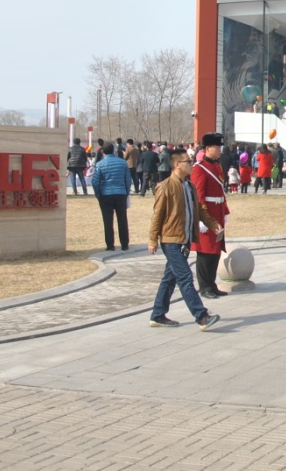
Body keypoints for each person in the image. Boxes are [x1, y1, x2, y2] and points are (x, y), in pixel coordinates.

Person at [147, 148, 222, 331]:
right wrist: (153, 239)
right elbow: (157, 215)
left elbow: (199, 210)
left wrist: (213, 224)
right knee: (185, 276)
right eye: (187, 162)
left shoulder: (189, 186)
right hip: (171, 240)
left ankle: (157, 315)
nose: (191, 164)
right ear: (176, 165)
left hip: (185, 238)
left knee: (169, 278)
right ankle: (201, 316)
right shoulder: (165, 187)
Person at [190, 133, 230, 300]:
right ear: (207, 148)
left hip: (217, 212)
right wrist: (201, 218)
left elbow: (221, 191)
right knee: (205, 252)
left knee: (215, 251)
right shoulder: (199, 168)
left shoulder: (217, 166)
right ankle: (204, 287)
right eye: (217, 147)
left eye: (220, 147)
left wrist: (225, 211)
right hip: (207, 214)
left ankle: (212, 285)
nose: (220, 150)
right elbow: (198, 195)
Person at [91, 142, 132, 251]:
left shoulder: (100, 164)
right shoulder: (123, 163)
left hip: (106, 194)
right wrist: (126, 192)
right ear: (113, 150)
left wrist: (98, 194)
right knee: (122, 219)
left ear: (102, 152)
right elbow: (128, 180)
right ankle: (124, 244)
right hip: (121, 193)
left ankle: (110, 245)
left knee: (108, 221)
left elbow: (95, 181)